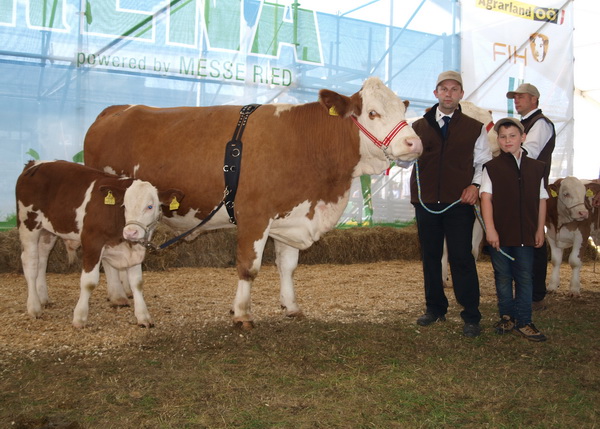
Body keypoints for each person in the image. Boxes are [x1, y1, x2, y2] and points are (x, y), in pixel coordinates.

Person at [410, 70, 493, 337]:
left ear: (461, 94)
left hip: (459, 201)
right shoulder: (418, 127)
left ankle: (471, 315)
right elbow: (402, 159)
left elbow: (483, 162)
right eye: (443, 89)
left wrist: (475, 186)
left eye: (454, 89)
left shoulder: (474, 128)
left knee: (461, 257)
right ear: (436, 93)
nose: (448, 93)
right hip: (425, 202)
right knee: (431, 256)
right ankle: (435, 309)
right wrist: (402, 150)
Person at [480, 117, 548, 342]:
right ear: (497, 140)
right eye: (502, 136)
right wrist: (490, 230)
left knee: (525, 277)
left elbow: (541, 199)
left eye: (512, 136)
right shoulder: (491, 167)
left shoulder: (537, 168)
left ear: (523, 138)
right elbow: (486, 199)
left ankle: (525, 320)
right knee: (502, 276)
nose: (507, 140)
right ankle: (507, 316)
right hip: (501, 234)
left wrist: (540, 229)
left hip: (527, 234)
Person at [506, 83, 556, 311]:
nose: (516, 101)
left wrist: (500, 153)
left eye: (521, 97)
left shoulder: (541, 124)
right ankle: (527, 291)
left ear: (534, 99)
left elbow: (528, 153)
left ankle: (536, 295)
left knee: (535, 240)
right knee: (522, 239)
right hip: (520, 190)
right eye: (515, 97)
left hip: (534, 190)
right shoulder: (524, 124)